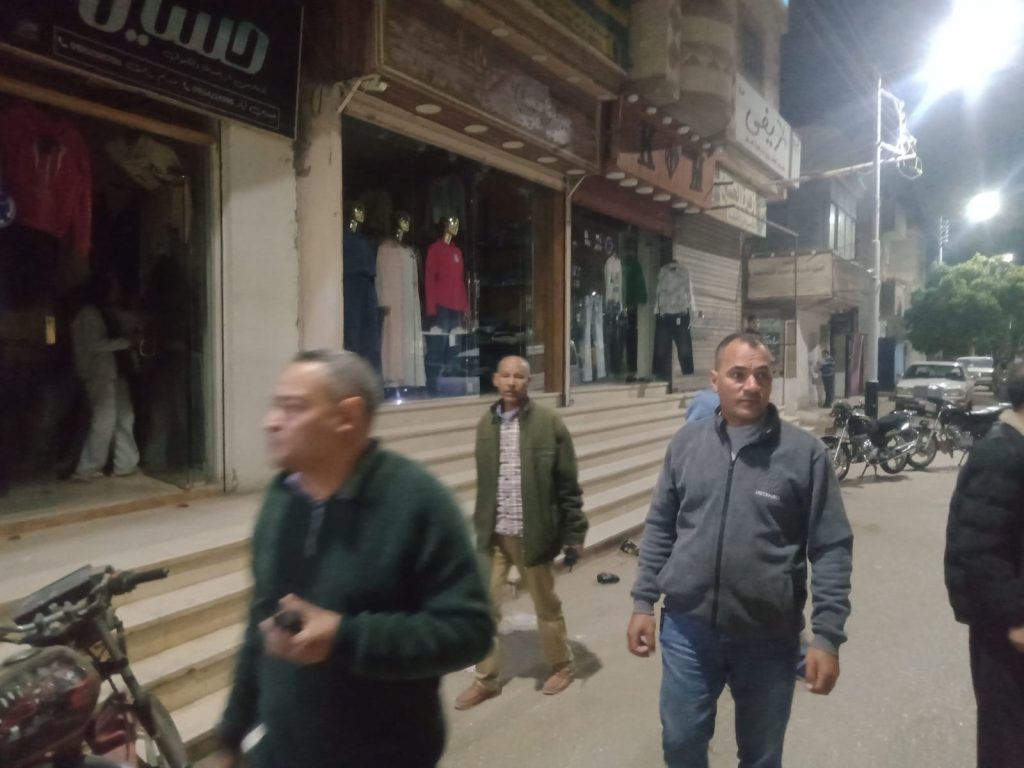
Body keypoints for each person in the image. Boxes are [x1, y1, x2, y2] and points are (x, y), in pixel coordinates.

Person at [214, 350, 493, 768]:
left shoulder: (415, 502)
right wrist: (232, 732)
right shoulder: (281, 500)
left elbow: (469, 632)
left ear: (347, 416)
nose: (270, 421)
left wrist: (345, 637)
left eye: (293, 407)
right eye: (275, 405)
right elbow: (261, 619)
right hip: (282, 753)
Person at [626, 332, 854, 768]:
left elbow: (832, 547)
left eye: (762, 375)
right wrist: (643, 602)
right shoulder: (687, 445)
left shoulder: (804, 455)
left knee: (760, 756)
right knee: (680, 743)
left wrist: (827, 636)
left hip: (768, 637)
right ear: (715, 381)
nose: (751, 385)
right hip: (688, 629)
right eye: (738, 374)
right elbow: (660, 526)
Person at [455, 355, 587, 709]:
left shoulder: (549, 424)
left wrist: (575, 533)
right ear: (496, 380)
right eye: (506, 376)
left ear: (529, 382)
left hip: (533, 533)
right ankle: (486, 679)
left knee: (546, 605)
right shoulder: (486, 425)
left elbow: (567, 485)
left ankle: (562, 665)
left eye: (519, 376)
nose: (512, 382)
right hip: (494, 535)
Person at [945, 361, 1024, 767]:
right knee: (1007, 738)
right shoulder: (1002, 453)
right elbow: (978, 546)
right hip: (1004, 630)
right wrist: (1015, 619)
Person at [70, 270, 140, 481]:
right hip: (99, 374)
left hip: (113, 373)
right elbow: (94, 344)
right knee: (105, 419)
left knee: (124, 417)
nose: (117, 291)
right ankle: (88, 468)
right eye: (114, 287)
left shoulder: (104, 313)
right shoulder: (89, 315)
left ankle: (124, 464)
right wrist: (127, 342)